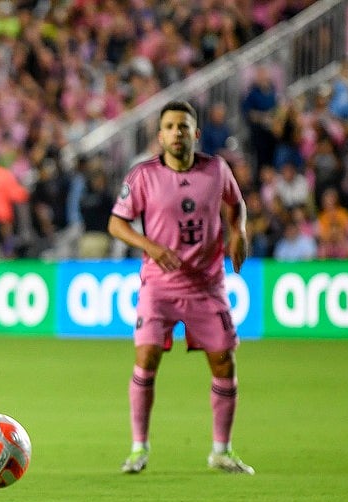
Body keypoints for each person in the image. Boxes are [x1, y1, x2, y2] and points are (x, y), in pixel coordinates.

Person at [108, 101, 254, 475]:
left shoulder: (216, 169)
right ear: (160, 136)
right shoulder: (142, 176)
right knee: (146, 358)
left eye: (183, 126)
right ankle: (138, 448)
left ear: (195, 134)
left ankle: (221, 450)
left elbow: (236, 204)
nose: (177, 132)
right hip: (159, 286)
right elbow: (116, 224)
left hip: (206, 285)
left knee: (224, 361)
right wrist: (150, 246)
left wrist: (238, 232)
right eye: (170, 127)